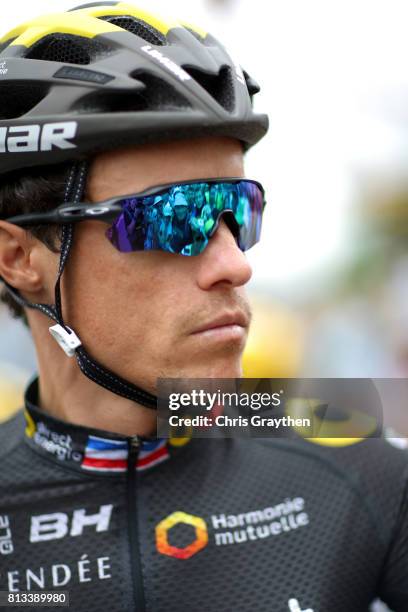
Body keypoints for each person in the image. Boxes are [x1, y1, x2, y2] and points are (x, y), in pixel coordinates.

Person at [0, 3, 406, 612]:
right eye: (173, 217)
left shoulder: (359, 456)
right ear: (19, 255)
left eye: (238, 212)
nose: (236, 265)